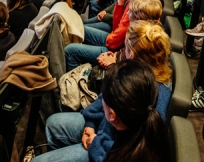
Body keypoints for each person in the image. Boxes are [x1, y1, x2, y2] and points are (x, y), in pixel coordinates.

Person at [33, 59, 170, 162]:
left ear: (112, 115)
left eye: (103, 97)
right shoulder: (148, 103)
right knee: (53, 123)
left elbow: (106, 151)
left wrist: (95, 143)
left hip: (102, 147)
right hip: (104, 139)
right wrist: (92, 129)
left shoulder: (125, 154)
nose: (100, 99)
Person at [65, 0, 149, 70]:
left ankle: (74, 80)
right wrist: (119, 3)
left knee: (69, 50)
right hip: (119, 44)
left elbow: (113, 43)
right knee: (78, 29)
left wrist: (109, 39)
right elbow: (116, 27)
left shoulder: (137, 6)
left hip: (120, 52)